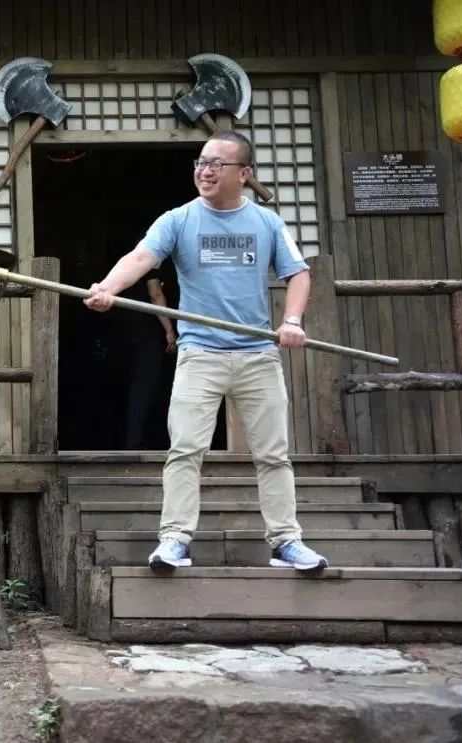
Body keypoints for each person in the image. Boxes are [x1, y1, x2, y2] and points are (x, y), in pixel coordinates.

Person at [84, 130, 329, 574]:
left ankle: (286, 541)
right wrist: (108, 288)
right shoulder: (178, 220)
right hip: (200, 352)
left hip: (258, 354)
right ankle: (175, 539)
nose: (205, 170)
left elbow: (299, 274)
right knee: (185, 449)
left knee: (274, 454)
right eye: (201, 162)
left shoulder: (267, 223)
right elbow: (141, 258)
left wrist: (291, 321)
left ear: (244, 174)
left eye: (217, 163)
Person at [115, 266, 177, 449]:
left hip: (127, 334)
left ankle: (131, 441)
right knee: (145, 389)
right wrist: (169, 330)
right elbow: (155, 293)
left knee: (133, 389)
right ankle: (136, 444)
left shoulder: (125, 266)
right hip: (147, 336)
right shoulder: (150, 265)